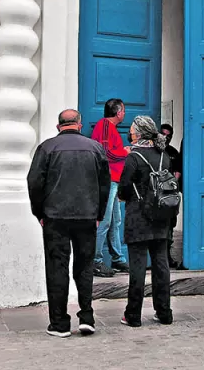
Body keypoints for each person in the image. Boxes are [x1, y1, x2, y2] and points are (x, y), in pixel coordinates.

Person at [27, 109, 110, 338]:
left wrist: (39, 213)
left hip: (55, 217)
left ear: (58, 125)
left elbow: (34, 183)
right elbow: (105, 185)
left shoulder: (47, 148)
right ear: (79, 124)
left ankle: (60, 323)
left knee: (57, 268)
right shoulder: (95, 148)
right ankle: (86, 317)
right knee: (84, 268)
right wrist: (99, 214)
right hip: (86, 216)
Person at [118, 116, 175, 327]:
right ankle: (164, 312)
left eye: (132, 130)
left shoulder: (134, 157)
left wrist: (124, 197)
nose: (130, 132)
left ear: (139, 133)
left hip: (138, 217)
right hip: (161, 217)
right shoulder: (164, 156)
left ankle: (133, 315)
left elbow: (124, 187)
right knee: (161, 266)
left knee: (138, 267)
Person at [90, 98, 130, 277]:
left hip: (113, 179)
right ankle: (96, 261)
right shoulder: (106, 126)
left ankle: (117, 257)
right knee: (105, 221)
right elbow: (105, 152)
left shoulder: (108, 127)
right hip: (107, 180)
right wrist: (125, 152)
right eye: (123, 110)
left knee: (115, 221)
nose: (124, 113)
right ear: (118, 111)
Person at [159, 123, 183, 270]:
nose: (165, 138)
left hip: (170, 197)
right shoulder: (154, 151)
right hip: (155, 196)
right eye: (163, 134)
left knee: (169, 228)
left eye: (169, 136)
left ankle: (167, 256)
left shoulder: (173, 152)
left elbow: (178, 172)